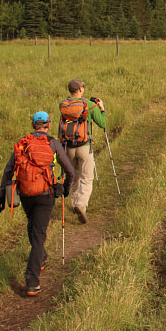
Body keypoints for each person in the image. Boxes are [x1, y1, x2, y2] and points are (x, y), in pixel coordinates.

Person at [0, 111, 74, 296]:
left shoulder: (23, 144)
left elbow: (9, 171)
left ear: (33, 126)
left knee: (33, 228)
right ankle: (32, 281)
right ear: (48, 125)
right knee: (38, 234)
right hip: (46, 194)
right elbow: (70, 170)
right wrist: (65, 189)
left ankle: (41, 257)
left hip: (25, 193)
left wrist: (1, 196)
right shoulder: (53, 143)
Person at [59, 79, 107, 223]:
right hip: (85, 146)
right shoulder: (89, 105)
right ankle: (81, 204)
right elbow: (102, 123)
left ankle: (74, 204)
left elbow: (60, 127)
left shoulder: (64, 106)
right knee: (87, 178)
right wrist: (102, 109)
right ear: (80, 89)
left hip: (69, 148)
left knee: (74, 176)